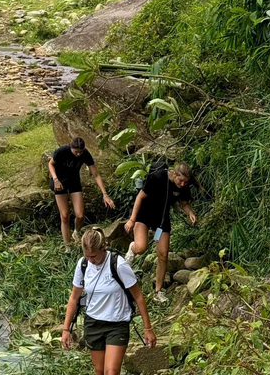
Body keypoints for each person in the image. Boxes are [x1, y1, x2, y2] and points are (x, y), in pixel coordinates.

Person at [62, 228, 156, 375]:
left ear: (103, 248)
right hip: (93, 323)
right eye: (87, 256)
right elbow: (74, 298)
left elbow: (138, 296)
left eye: (93, 256)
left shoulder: (118, 264)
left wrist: (148, 329)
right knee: (99, 371)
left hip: (117, 324)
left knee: (111, 371)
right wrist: (66, 329)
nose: (91, 260)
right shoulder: (83, 265)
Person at [124, 162, 197, 303]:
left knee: (163, 256)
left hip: (161, 221)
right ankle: (132, 248)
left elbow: (184, 203)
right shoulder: (157, 177)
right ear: (173, 174)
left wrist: (190, 213)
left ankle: (158, 291)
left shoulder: (184, 186)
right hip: (144, 215)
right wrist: (132, 220)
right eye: (180, 180)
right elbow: (140, 197)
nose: (182, 184)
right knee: (141, 247)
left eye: (185, 182)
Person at [49, 137, 115, 248]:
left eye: (81, 151)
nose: (79, 154)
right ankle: (67, 246)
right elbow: (51, 164)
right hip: (59, 182)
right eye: (76, 152)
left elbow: (96, 174)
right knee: (64, 215)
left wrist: (105, 194)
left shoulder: (85, 154)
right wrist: (55, 179)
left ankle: (76, 232)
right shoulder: (62, 151)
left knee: (80, 215)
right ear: (71, 147)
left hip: (74, 181)